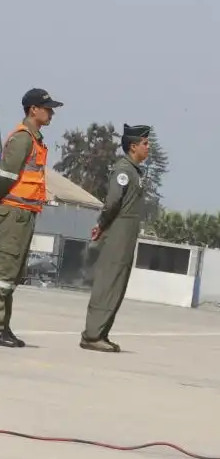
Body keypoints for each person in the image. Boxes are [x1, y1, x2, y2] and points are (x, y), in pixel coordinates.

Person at [0, 87, 63, 347]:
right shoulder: (23, 138)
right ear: (33, 110)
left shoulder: (35, 139)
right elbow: (4, 177)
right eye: (47, 108)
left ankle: (2, 325)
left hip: (25, 212)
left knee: (13, 272)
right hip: (14, 211)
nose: (51, 113)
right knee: (2, 270)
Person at [82, 123, 151, 352]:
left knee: (117, 285)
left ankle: (101, 333)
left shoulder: (134, 171)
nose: (147, 147)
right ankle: (92, 335)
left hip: (126, 236)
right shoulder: (123, 170)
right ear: (133, 147)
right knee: (108, 283)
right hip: (117, 234)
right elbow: (112, 203)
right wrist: (101, 225)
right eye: (144, 143)